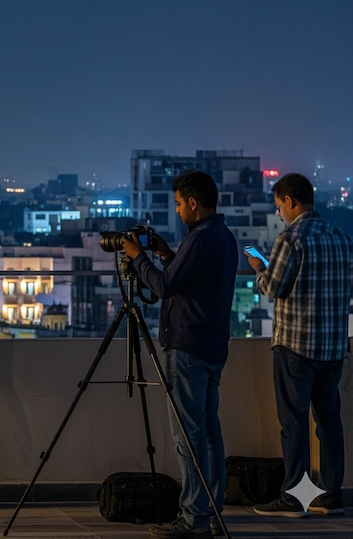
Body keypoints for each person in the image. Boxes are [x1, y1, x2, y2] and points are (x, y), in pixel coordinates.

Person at [122, 170, 238, 538]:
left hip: (187, 346)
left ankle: (193, 518)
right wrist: (166, 253)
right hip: (212, 345)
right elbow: (189, 279)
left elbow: (164, 285)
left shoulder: (201, 239)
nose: (176, 211)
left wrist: (139, 257)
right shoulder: (222, 236)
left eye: (177, 203)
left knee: (187, 435)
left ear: (192, 202)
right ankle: (211, 508)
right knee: (207, 430)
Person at [247, 172, 352, 518]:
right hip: (334, 345)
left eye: (279, 208)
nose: (280, 214)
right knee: (329, 421)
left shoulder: (290, 238)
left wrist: (259, 269)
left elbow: (274, 287)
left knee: (293, 422)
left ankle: (294, 496)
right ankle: (331, 494)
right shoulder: (340, 236)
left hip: (295, 345)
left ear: (290, 201)